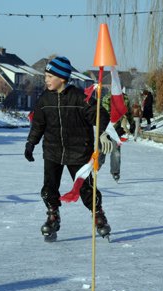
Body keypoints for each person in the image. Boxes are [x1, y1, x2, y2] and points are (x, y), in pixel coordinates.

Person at [24, 56, 113, 241]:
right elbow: (38, 124)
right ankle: (52, 215)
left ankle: (98, 215)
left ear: (62, 78)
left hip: (78, 151)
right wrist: (31, 143)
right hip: (52, 151)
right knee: (49, 187)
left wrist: (103, 132)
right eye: (46, 76)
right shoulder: (44, 99)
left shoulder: (80, 97)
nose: (46, 79)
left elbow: (100, 115)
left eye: (49, 76)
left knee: (86, 188)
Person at [98, 93, 131, 183]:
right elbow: (104, 112)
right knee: (101, 149)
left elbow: (129, 112)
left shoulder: (125, 97)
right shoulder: (107, 97)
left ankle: (115, 172)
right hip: (105, 127)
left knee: (116, 152)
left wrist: (131, 124)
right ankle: (96, 166)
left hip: (117, 129)